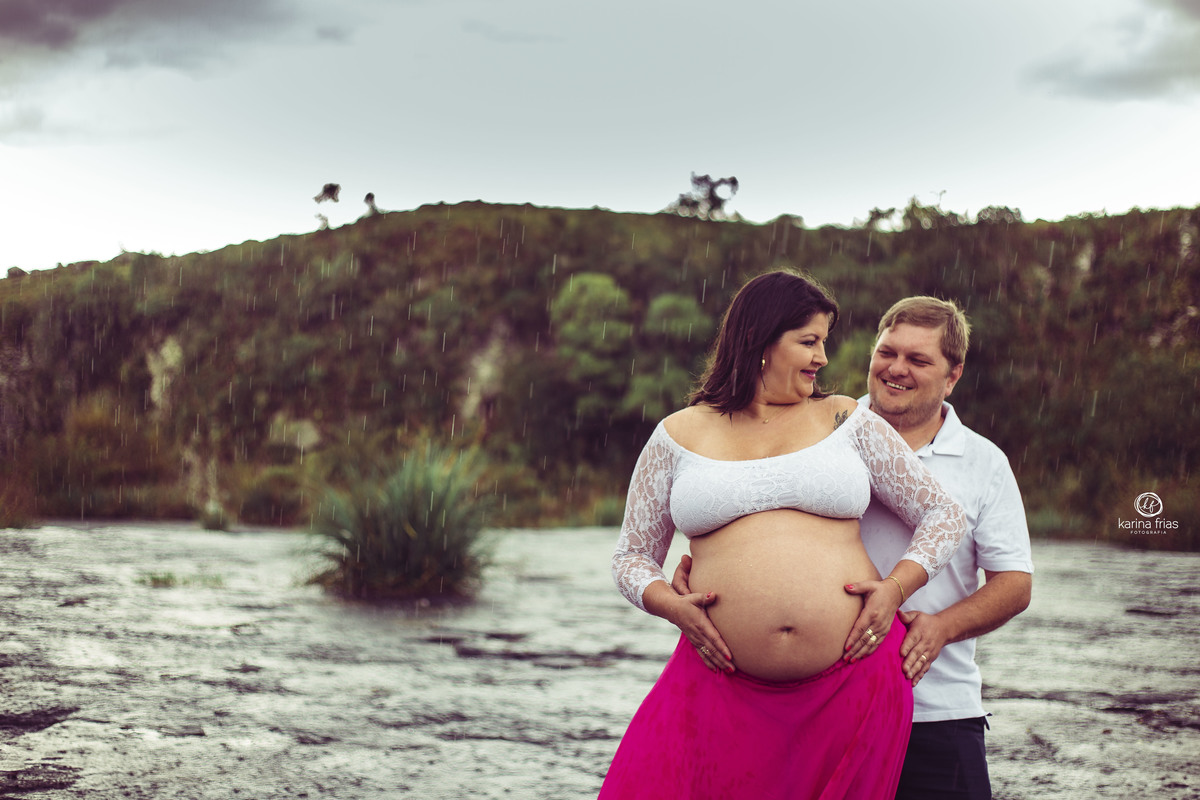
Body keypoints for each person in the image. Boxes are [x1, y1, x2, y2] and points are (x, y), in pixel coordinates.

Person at [599, 270, 967, 800]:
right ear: (761, 342)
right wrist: (672, 607)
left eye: (824, 342)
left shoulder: (846, 420)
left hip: (853, 682)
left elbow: (942, 514)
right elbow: (632, 556)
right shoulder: (677, 434)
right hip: (716, 684)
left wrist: (894, 589)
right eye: (809, 341)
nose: (822, 357)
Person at [857, 296, 1033, 800]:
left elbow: (1015, 583)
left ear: (952, 376)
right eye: (887, 352)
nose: (896, 369)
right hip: (824, 705)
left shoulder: (984, 462)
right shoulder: (826, 435)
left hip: (938, 714)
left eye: (918, 360)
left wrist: (941, 629)